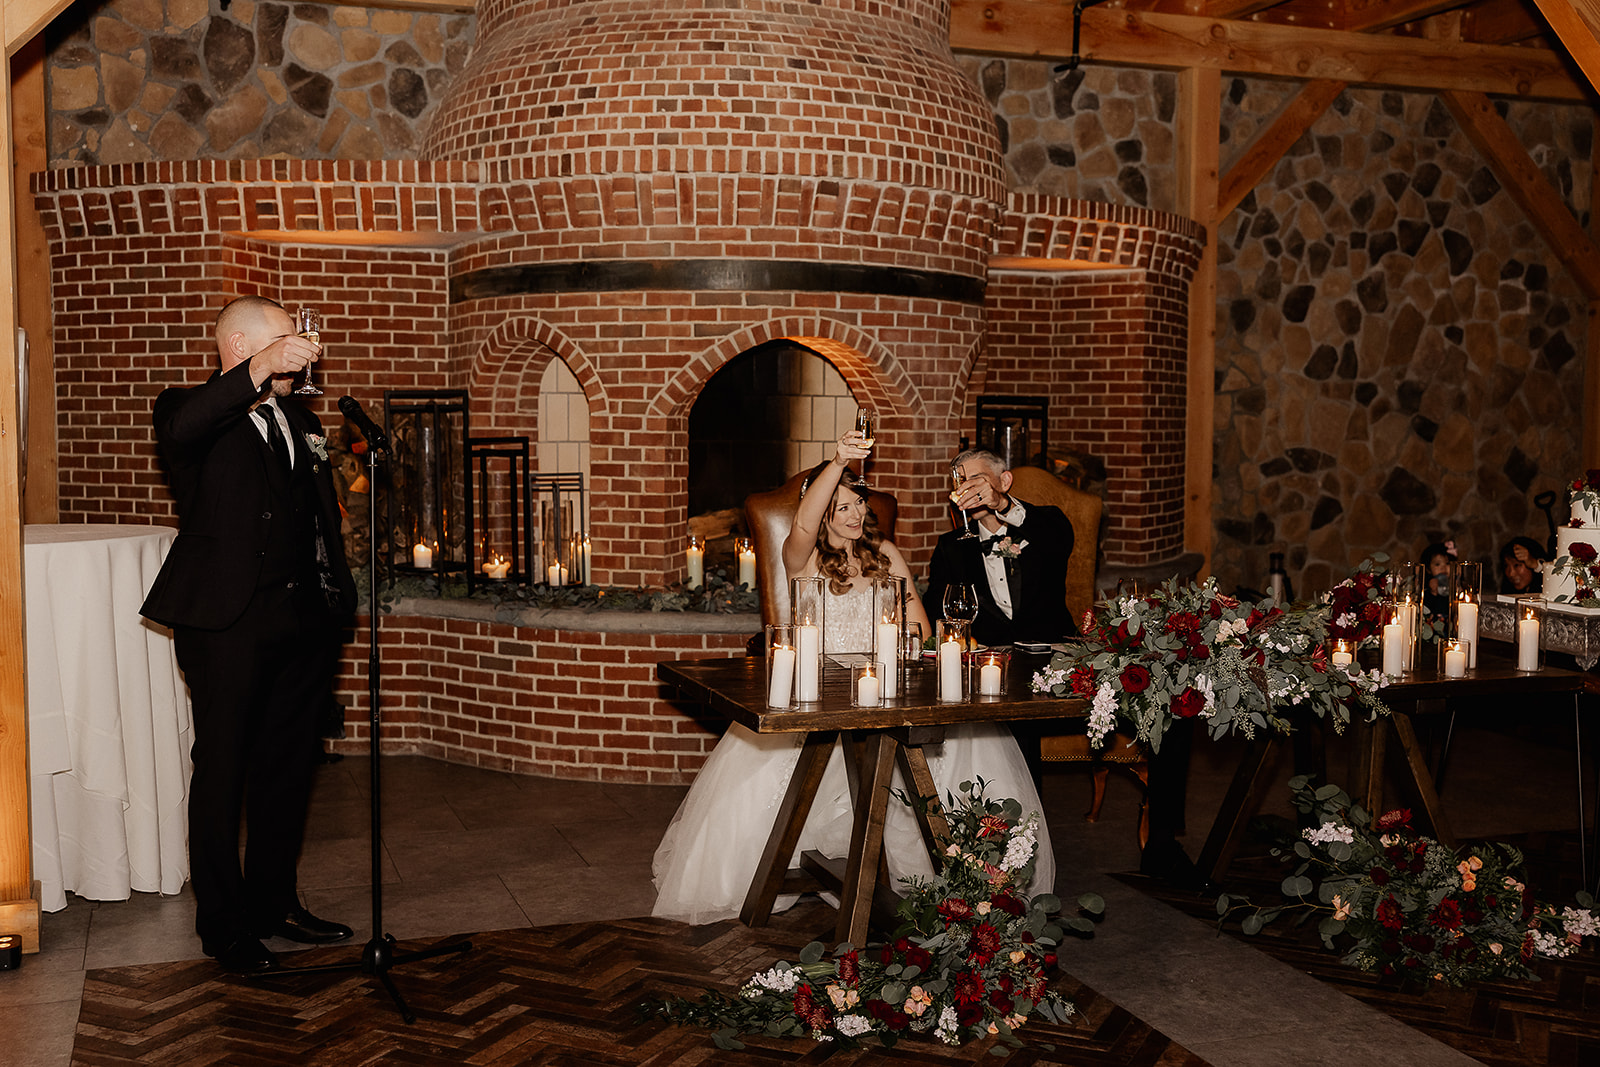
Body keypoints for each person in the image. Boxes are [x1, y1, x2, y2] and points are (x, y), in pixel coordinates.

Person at [652, 432, 1055, 925]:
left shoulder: (885, 552)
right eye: (842, 507)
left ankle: (965, 879)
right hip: (821, 693)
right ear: (823, 513)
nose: (856, 514)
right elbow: (803, 522)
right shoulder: (801, 557)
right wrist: (839, 462)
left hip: (888, 689)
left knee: (967, 740)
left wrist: (914, 645)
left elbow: (920, 627)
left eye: (859, 504)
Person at [141, 295, 357, 974]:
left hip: (301, 625)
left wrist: (336, 600)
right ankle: (224, 925)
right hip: (226, 625)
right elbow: (183, 428)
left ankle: (274, 903)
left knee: (286, 770)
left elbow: (318, 518)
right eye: (285, 341)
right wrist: (259, 370)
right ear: (241, 346)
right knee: (223, 769)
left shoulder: (301, 419)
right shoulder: (189, 409)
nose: (301, 351)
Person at [923, 447, 1079, 648]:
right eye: (962, 483)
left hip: (1053, 653)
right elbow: (937, 610)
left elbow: (1058, 542)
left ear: (1004, 481)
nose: (969, 490)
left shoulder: (1046, 522)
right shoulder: (951, 546)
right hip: (986, 656)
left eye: (977, 480)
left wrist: (1002, 505)